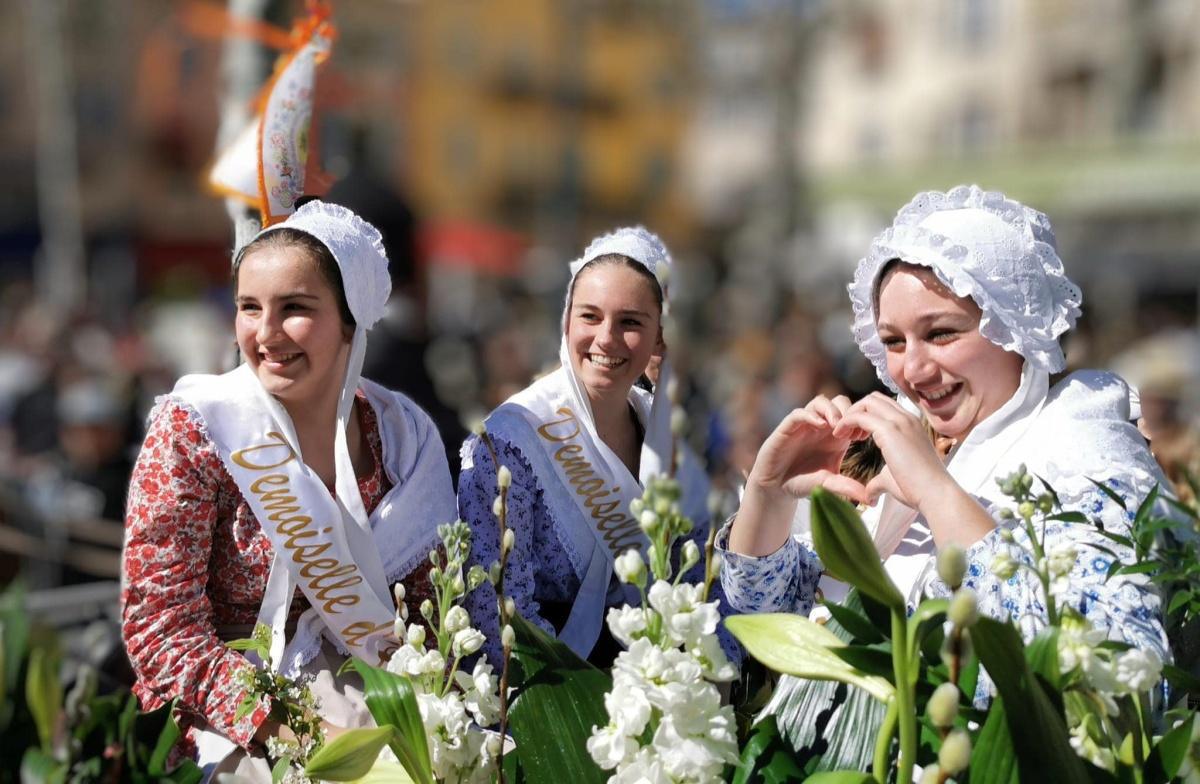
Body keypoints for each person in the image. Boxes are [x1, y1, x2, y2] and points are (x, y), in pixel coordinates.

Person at [720, 185, 1173, 664]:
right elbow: (767, 623)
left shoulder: (1084, 446)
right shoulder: (911, 452)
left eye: (941, 333)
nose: (912, 370)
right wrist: (769, 494)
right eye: (893, 342)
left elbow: (1114, 658)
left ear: (1013, 327)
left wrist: (936, 491)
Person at [121, 201, 457, 777]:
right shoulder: (197, 428)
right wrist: (301, 734)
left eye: (294, 308)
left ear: (350, 320)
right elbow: (161, 627)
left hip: (377, 693)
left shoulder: (402, 437)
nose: (266, 333)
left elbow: (434, 611)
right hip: (230, 715)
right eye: (249, 308)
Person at [459, 226, 718, 668]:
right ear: (566, 322)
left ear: (660, 336)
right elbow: (497, 613)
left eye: (631, 322)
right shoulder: (511, 439)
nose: (606, 339)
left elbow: (693, 583)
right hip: (542, 701)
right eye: (590, 317)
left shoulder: (664, 438)